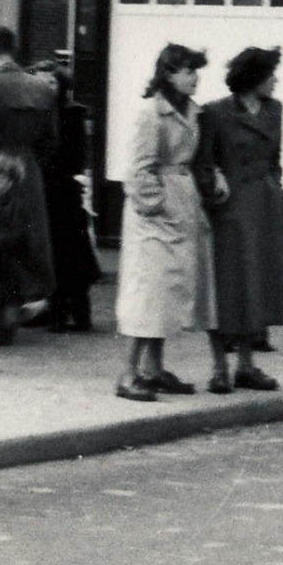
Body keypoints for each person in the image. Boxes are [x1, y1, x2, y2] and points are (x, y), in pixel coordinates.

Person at [113, 44, 216, 401]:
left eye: (196, 70)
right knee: (148, 291)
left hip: (182, 203)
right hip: (154, 216)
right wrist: (157, 207)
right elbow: (140, 170)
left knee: (166, 293)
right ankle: (128, 374)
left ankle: (153, 369)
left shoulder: (191, 110)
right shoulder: (150, 113)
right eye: (187, 70)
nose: (194, 77)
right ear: (168, 73)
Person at [195, 47, 283, 394]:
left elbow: (275, 158)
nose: (276, 81)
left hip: (264, 206)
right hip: (230, 208)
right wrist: (214, 189)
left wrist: (275, 187)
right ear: (254, 78)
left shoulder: (275, 110)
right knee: (226, 288)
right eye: (271, 75)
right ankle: (220, 368)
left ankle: (247, 366)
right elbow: (204, 162)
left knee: (255, 287)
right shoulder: (216, 112)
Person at [0, 27, 57, 344]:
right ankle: (6, 320)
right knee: (24, 244)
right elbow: (52, 141)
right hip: (28, 172)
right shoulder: (42, 89)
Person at [30, 62, 102, 332]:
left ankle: (72, 313)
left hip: (63, 189)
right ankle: (54, 309)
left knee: (68, 252)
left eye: (50, 82)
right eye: (39, 82)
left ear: (61, 85)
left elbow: (73, 155)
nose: (45, 88)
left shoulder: (70, 114)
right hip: (47, 187)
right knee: (54, 252)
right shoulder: (38, 112)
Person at [0, 153, 31, 343]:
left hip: (7, 264)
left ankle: (21, 314)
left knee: (1, 330)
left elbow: (18, 236)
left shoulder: (14, 207)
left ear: (9, 184)